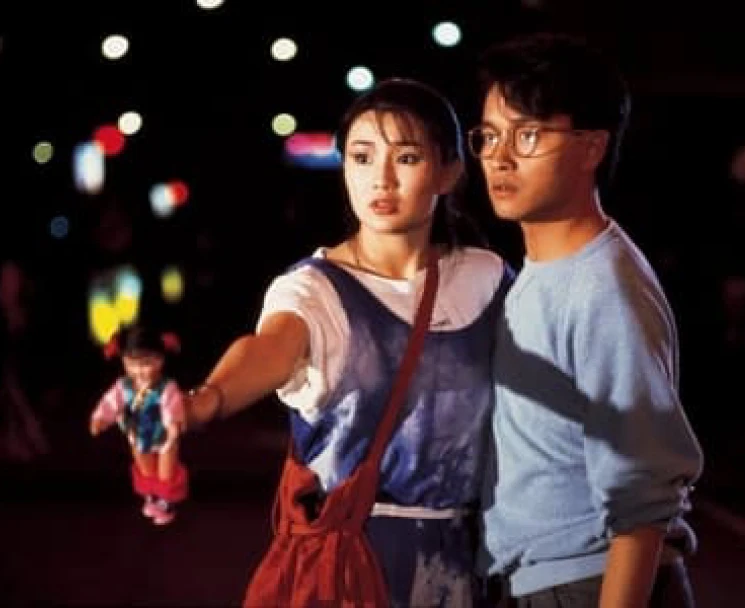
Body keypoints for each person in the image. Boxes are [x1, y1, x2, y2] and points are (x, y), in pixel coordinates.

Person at [183, 77, 512, 606]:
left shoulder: (486, 278)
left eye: (407, 157)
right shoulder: (314, 290)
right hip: (354, 563)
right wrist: (205, 401)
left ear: (449, 170)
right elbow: (268, 349)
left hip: (472, 560)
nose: (381, 178)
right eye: (361, 157)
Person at [470, 33, 704, 607]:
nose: (500, 157)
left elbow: (643, 496)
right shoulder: (541, 272)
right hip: (546, 580)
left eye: (528, 134)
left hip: (587, 583)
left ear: (592, 147)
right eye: (489, 136)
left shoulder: (603, 290)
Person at [91, 325, 188, 526]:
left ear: (160, 360)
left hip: (164, 434)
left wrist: (172, 424)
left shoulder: (166, 387)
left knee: (166, 471)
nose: (139, 370)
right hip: (137, 433)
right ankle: (151, 497)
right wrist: (101, 419)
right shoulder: (123, 386)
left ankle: (165, 502)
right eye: (132, 364)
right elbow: (110, 403)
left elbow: (172, 406)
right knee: (145, 469)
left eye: (146, 364)